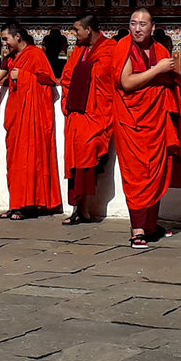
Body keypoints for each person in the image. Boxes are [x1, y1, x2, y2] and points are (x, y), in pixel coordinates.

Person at [113, 8, 181, 249]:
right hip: (131, 121)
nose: (137, 28)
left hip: (156, 121)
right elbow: (126, 83)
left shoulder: (160, 50)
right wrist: (157, 71)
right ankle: (137, 229)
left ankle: (149, 226)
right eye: (133, 23)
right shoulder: (123, 47)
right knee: (136, 174)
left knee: (156, 173)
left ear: (153, 27)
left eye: (143, 24)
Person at [0, 21, 61, 220]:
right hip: (17, 117)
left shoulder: (35, 55)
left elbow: (49, 83)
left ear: (18, 36)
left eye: (6, 39)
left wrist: (24, 76)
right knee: (15, 161)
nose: (4, 44)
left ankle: (28, 206)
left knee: (31, 161)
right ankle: (16, 203)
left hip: (33, 119)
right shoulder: (9, 59)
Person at [59, 15, 114, 225]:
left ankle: (85, 209)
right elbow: (67, 77)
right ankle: (79, 209)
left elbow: (108, 78)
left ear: (89, 30)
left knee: (88, 158)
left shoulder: (110, 48)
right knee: (76, 160)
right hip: (77, 115)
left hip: (97, 113)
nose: (74, 35)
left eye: (76, 30)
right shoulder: (79, 52)